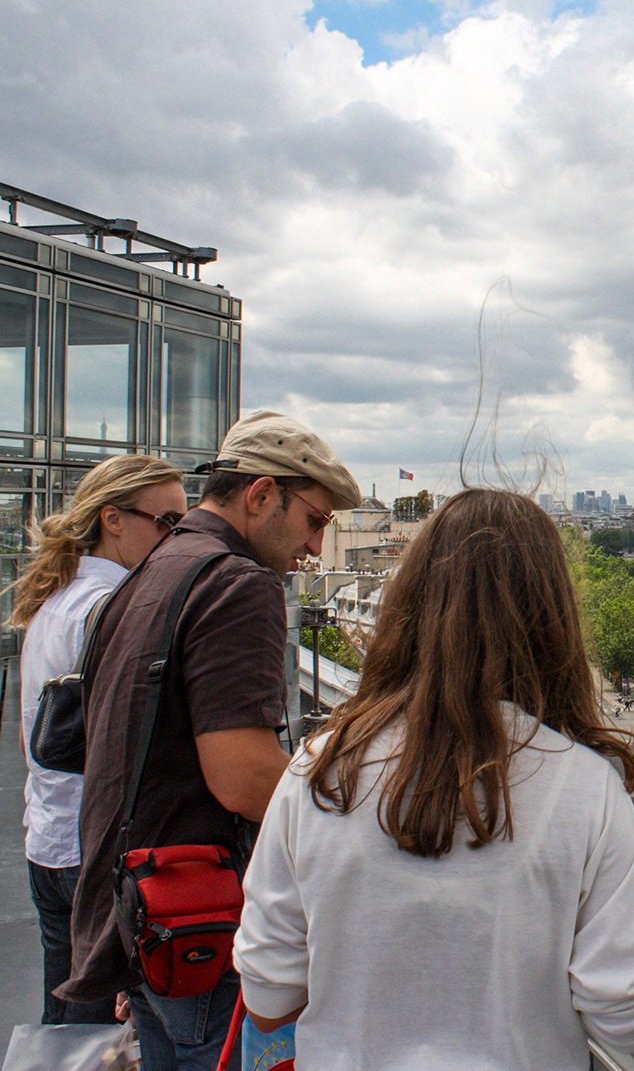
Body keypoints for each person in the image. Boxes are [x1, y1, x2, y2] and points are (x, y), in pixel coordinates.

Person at [233, 489, 634, 1070]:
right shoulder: (586, 787)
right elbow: (621, 1018)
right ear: (552, 618)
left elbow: (266, 998)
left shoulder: (317, 767)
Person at [59, 411, 362, 1071]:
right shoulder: (237, 583)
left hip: (140, 911)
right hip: (201, 924)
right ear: (262, 495)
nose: (315, 545)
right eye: (314, 519)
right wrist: (359, 810)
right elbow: (244, 776)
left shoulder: (153, 570)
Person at [12, 454, 187, 1025]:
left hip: (49, 838)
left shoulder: (50, 601)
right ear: (113, 519)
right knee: (116, 1030)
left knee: (68, 1030)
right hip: (95, 852)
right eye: (164, 523)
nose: (172, 539)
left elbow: (31, 738)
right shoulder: (110, 609)